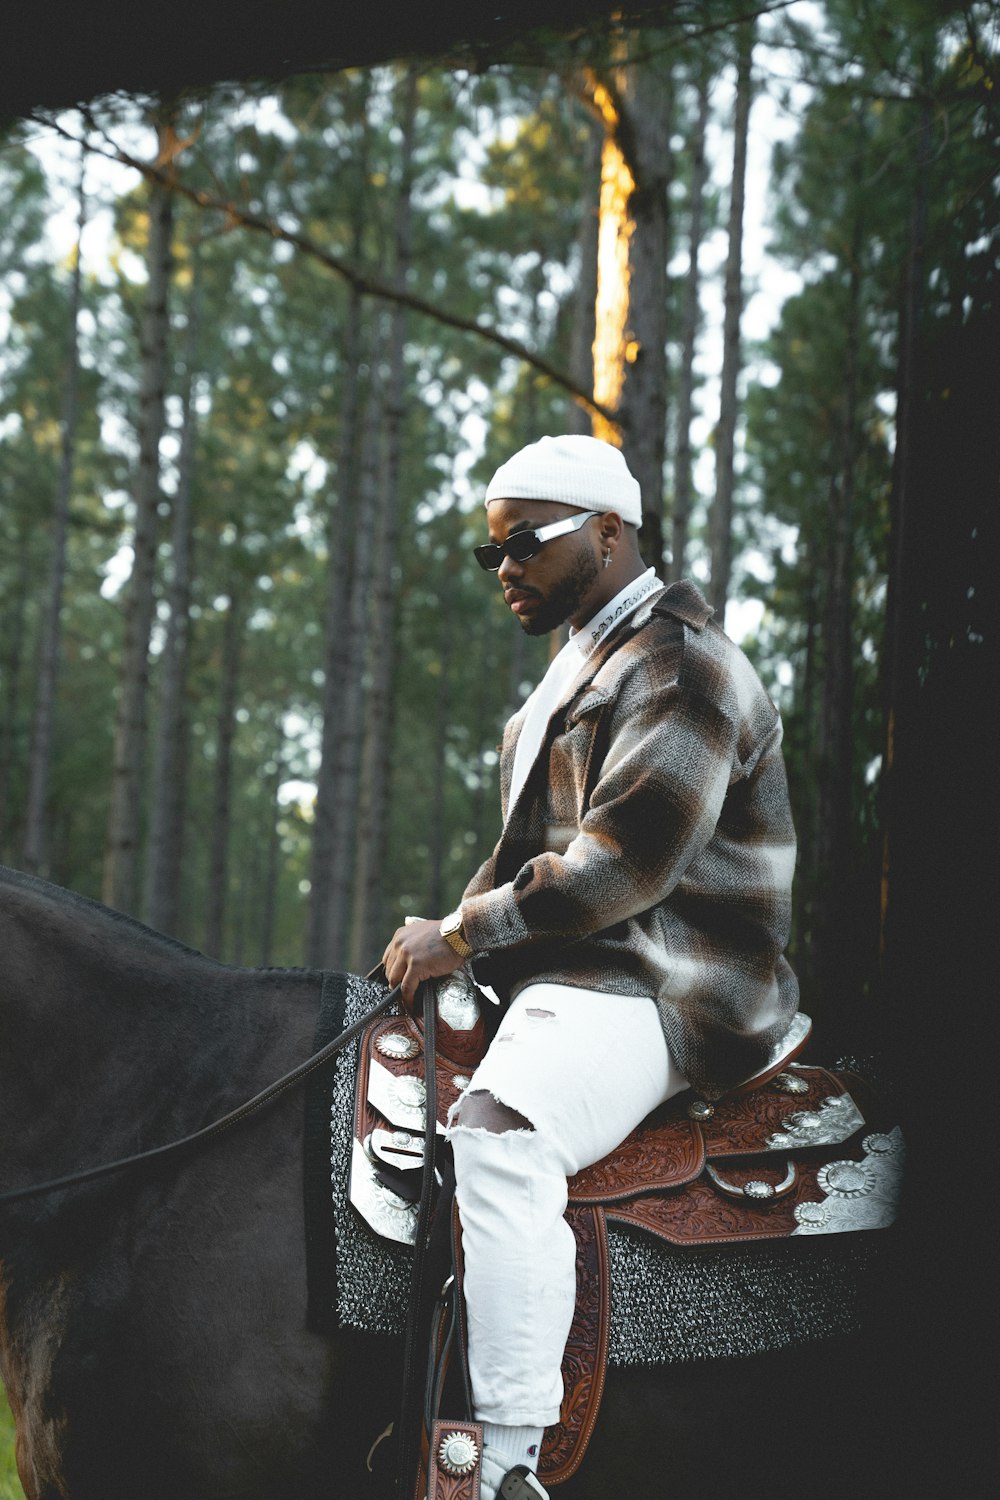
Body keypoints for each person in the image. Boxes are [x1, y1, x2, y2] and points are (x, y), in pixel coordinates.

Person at [382, 434, 799, 1500]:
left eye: (525, 542)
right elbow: (525, 857)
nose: (505, 567)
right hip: (574, 979)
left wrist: (466, 933)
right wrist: (451, 933)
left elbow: (624, 866)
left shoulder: (685, 665)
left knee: (499, 1135)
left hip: (669, 987)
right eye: (491, 554)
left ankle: (504, 1467)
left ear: (609, 532)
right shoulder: (575, 676)